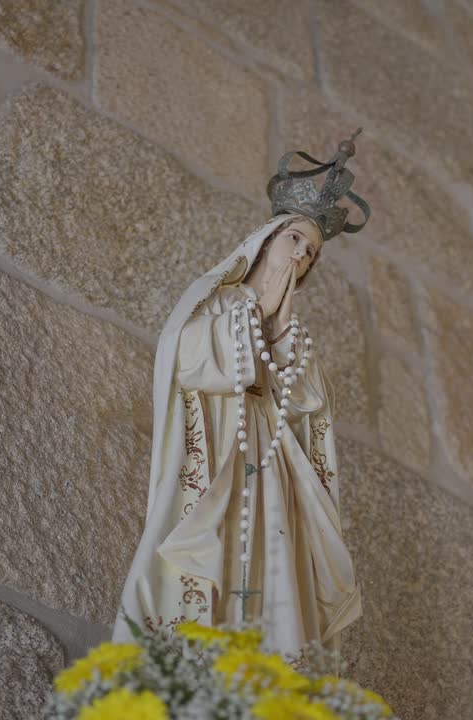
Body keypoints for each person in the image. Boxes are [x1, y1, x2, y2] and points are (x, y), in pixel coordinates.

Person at [114, 134, 371, 658]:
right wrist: (249, 318)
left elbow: (308, 411)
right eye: (295, 240)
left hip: (272, 461)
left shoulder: (294, 337)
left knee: (277, 554)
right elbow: (183, 358)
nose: (300, 255)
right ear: (268, 238)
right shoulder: (217, 298)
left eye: (311, 254)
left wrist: (278, 334)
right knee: (222, 549)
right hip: (218, 450)